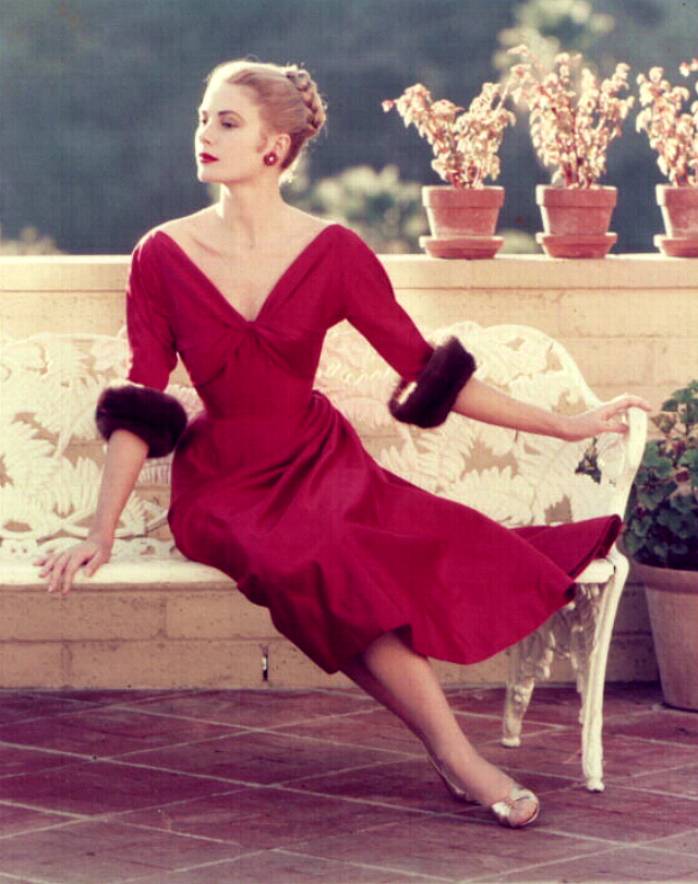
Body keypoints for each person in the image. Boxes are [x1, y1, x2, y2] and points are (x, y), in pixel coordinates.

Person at [35, 59, 650, 829]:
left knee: (347, 568)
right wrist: (99, 530)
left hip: (320, 464)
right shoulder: (160, 254)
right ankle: (459, 757)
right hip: (222, 486)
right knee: (325, 567)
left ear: (275, 147)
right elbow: (144, 400)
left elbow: (428, 371)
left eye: (226, 121)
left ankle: (453, 756)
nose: (204, 133)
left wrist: (566, 422)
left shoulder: (334, 252)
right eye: (203, 117)